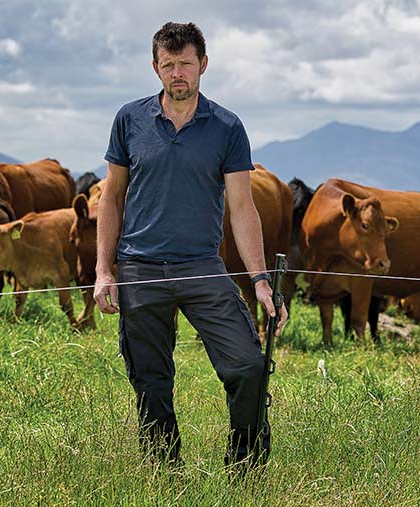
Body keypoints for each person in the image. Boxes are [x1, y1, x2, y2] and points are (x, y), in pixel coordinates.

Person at [94, 21, 288, 470]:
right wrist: (105, 270)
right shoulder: (129, 119)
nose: (177, 73)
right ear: (155, 68)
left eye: (185, 64)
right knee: (151, 380)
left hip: (203, 267)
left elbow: (242, 208)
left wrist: (259, 279)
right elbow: (112, 196)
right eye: (168, 65)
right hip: (139, 268)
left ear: (203, 64)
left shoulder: (227, 127)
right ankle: (166, 473)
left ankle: (246, 467)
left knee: (248, 367)